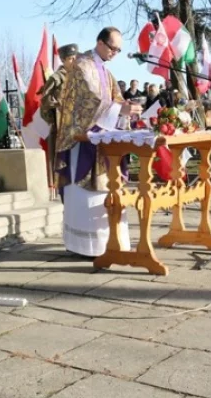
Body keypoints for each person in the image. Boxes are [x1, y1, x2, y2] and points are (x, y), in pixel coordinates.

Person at [55, 27, 139, 257]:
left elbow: (116, 98)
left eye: (119, 50)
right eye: (112, 47)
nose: (115, 53)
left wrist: (127, 109)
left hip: (104, 142)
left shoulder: (105, 70)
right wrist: (117, 108)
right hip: (82, 141)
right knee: (86, 197)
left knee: (106, 191)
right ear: (99, 42)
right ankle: (83, 247)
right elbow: (89, 102)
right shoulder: (82, 66)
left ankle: (108, 243)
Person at [39, 43, 80, 190]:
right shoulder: (57, 77)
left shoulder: (78, 76)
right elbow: (45, 100)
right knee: (61, 164)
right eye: (70, 58)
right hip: (60, 127)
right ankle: (62, 190)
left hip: (77, 127)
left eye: (75, 58)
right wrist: (60, 105)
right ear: (63, 60)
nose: (74, 61)